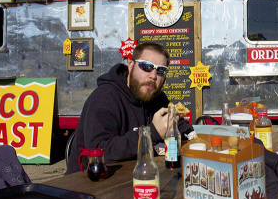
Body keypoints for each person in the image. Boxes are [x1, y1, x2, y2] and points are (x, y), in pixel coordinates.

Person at [66, 42, 194, 174]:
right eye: (146, 66)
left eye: (161, 70)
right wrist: (152, 133)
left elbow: (175, 120)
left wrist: (191, 133)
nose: (153, 76)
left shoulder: (156, 96)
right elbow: (100, 152)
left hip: (136, 176)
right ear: (131, 66)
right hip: (89, 184)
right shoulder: (104, 98)